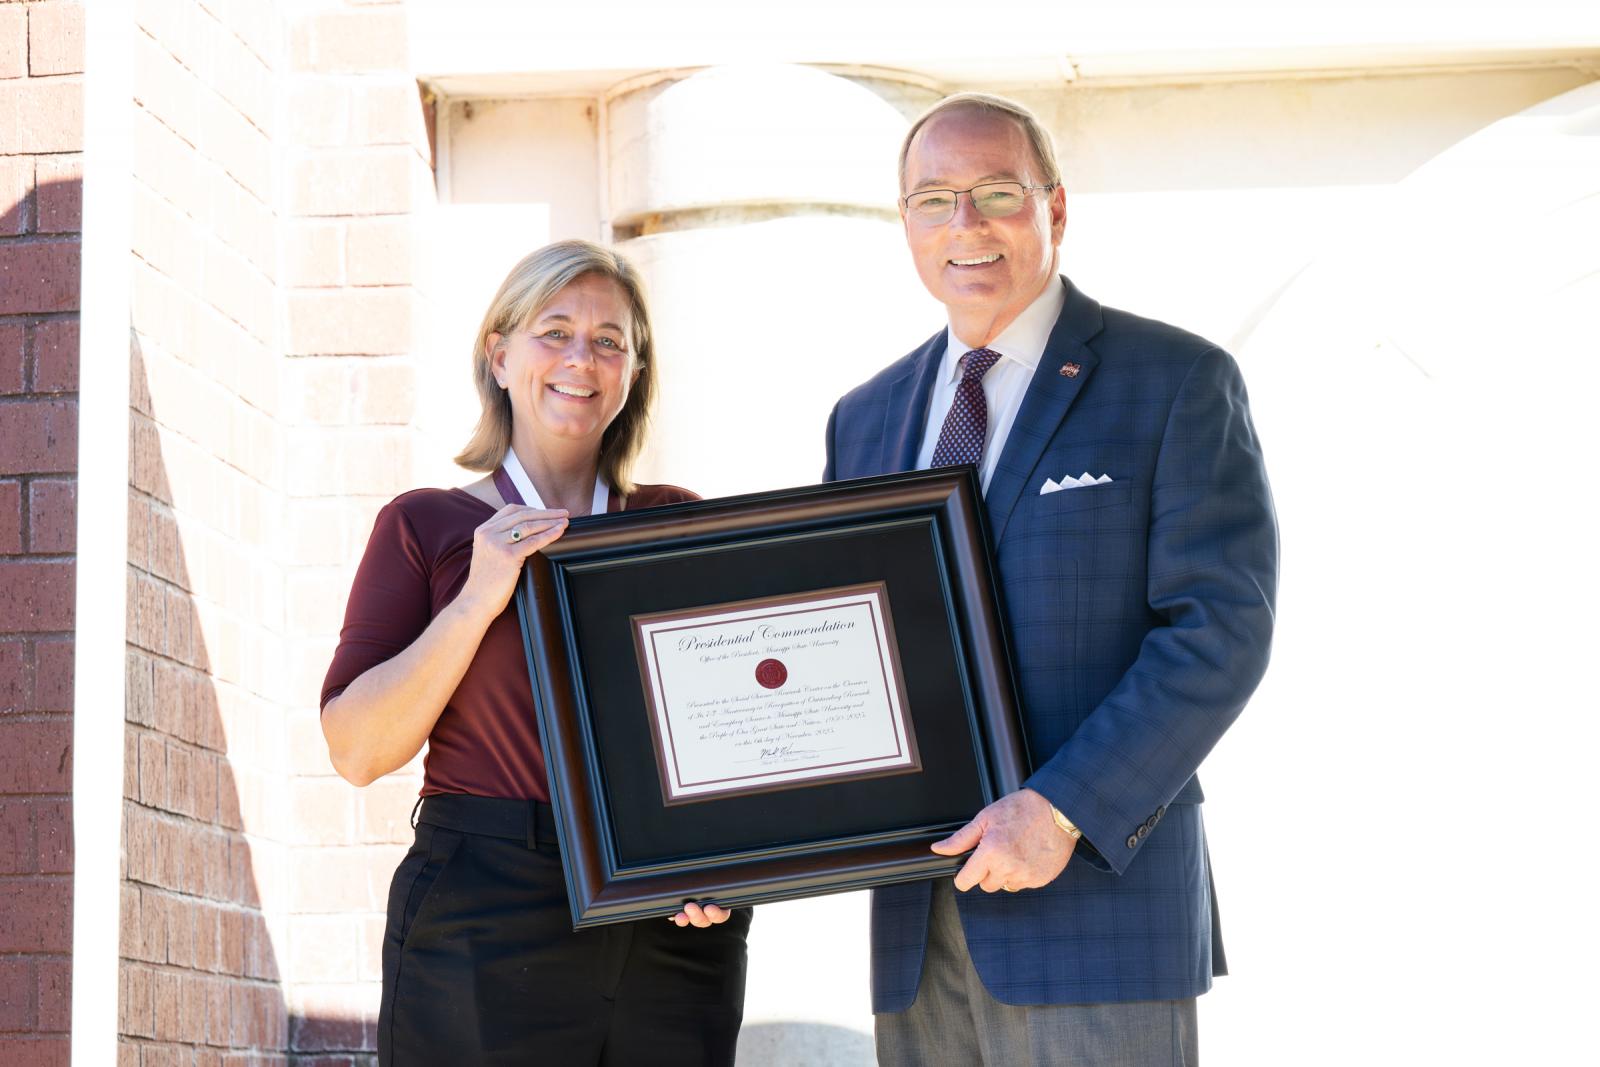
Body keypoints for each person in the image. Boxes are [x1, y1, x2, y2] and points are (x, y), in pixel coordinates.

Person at [823, 93, 1278, 1065]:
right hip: (916, 924)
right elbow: (839, 648)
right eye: (934, 199)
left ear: (1054, 208)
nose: (966, 224)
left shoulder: (1174, 380)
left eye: (997, 192)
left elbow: (1219, 630)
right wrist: (720, 847)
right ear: (905, 222)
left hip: (1096, 912)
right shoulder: (863, 419)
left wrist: (1060, 806)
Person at [321, 240, 749, 1066]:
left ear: (632, 372)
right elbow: (357, 750)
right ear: (500, 355)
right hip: (486, 911)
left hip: (667, 918)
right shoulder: (426, 526)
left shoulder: (676, 522)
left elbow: (735, 730)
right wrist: (478, 598)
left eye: (609, 340)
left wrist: (726, 859)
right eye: (555, 331)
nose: (581, 358)